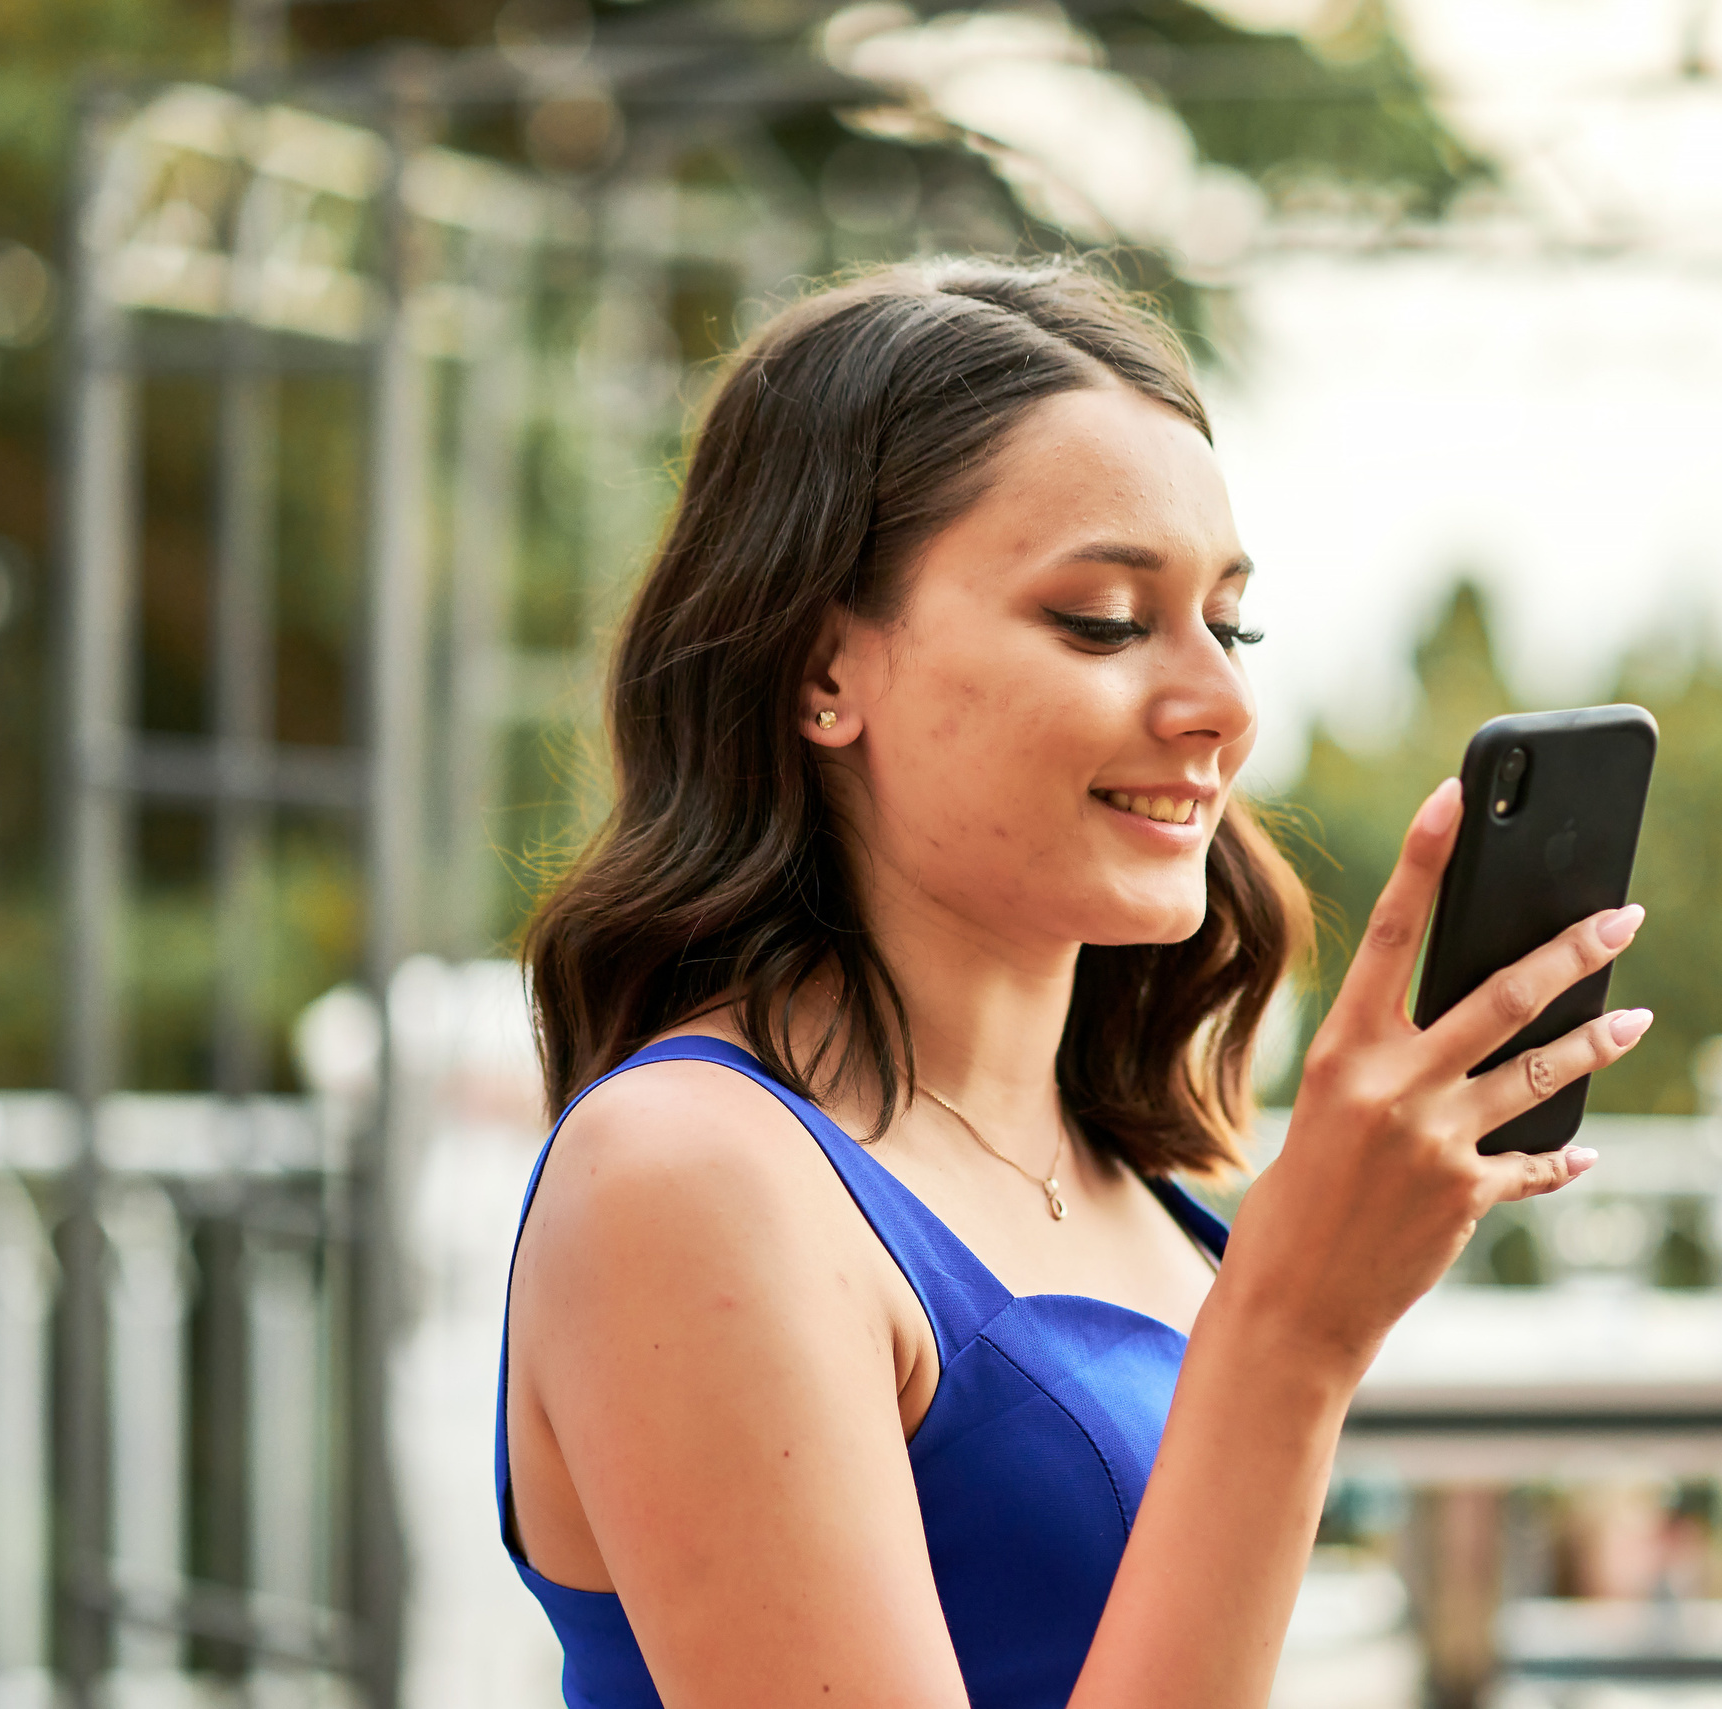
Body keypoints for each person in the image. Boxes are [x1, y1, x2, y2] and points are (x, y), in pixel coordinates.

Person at [502, 258, 1651, 1709]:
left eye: (1229, 625)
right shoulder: (688, 1174)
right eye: (1107, 620)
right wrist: (1294, 1333)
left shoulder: (1125, 1173)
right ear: (822, 673)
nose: (1223, 706)